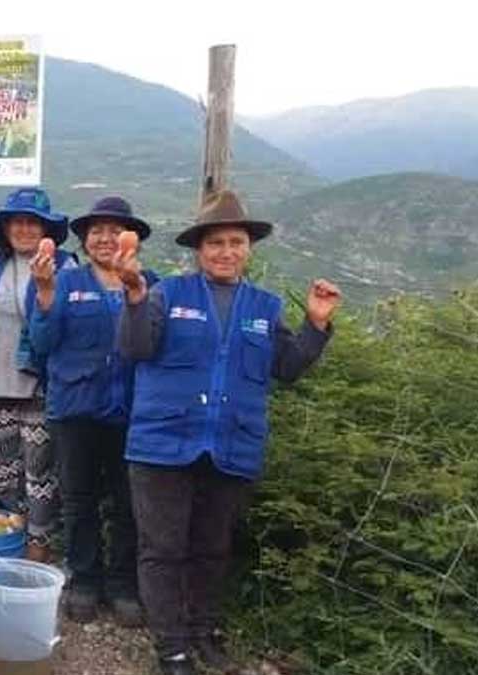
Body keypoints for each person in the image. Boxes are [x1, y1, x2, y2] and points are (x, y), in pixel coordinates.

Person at [117, 190, 340, 675]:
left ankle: (203, 629)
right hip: (162, 445)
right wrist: (134, 297)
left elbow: (287, 368)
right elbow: (135, 348)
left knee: (213, 548)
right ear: (198, 250)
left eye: (235, 241)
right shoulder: (167, 294)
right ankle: (172, 645)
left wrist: (316, 326)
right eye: (215, 242)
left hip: (231, 447)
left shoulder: (264, 305)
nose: (226, 251)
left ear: (249, 248)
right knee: (163, 548)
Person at [29, 195, 159, 626]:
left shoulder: (151, 283)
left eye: (115, 229)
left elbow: (160, 346)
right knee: (79, 498)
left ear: (133, 239)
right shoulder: (63, 282)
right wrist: (45, 296)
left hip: (133, 411)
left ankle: (122, 584)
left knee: (127, 501)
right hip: (75, 407)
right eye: (96, 231)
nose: (105, 238)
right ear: (84, 241)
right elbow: (42, 345)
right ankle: (84, 578)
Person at [0, 187, 72, 563]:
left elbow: (66, 323)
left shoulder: (65, 266)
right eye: (16, 222)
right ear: (5, 229)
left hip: (39, 382)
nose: (24, 229)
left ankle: (38, 545)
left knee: (39, 468)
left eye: (32, 222)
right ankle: (22, 527)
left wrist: (45, 288)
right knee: (2, 470)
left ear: (45, 229)